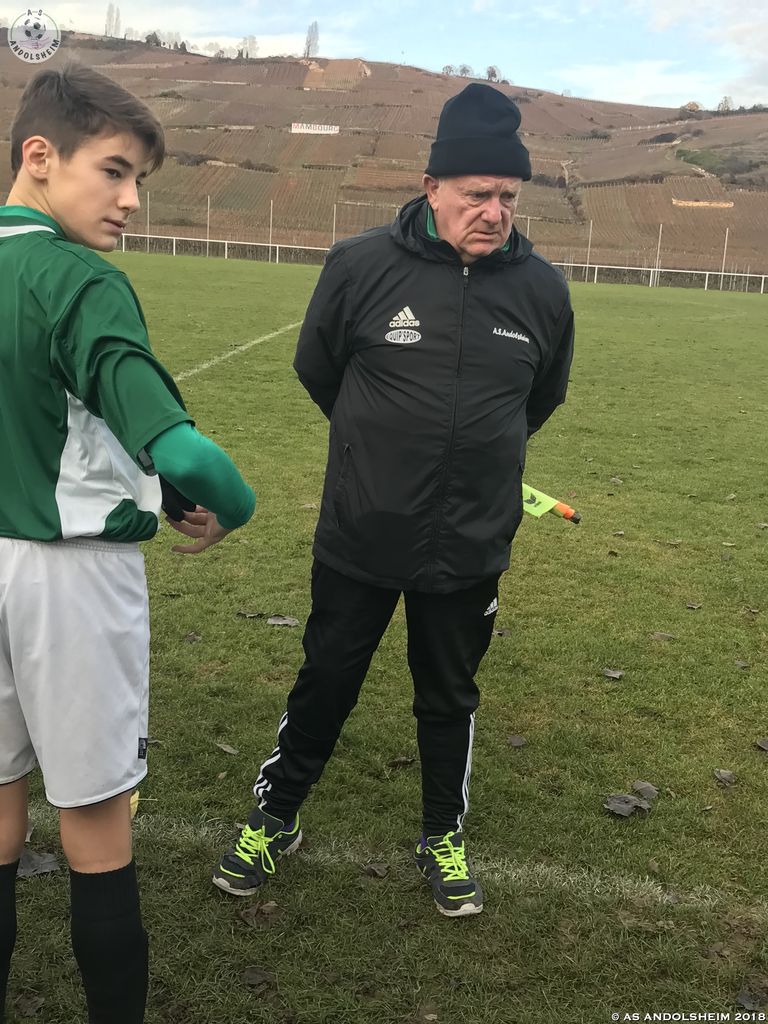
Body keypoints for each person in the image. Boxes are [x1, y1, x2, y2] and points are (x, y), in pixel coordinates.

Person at [214, 83, 574, 917]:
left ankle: (442, 834)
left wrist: (477, 459)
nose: (494, 212)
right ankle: (276, 815)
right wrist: (377, 451)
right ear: (432, 186)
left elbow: (540, 400)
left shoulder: (543, 290)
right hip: (363, 528)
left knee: (449, 695)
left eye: (508, 197)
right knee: (327, 678)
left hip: (472, 538)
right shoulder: (360, 265)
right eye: (477, 194)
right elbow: (319, 370)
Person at [0, 65, 255, 1024]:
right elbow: (183, 450)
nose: (131, 201)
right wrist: (234, 506)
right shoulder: (81, 279)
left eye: (138, 179)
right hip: (71, 584)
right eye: (113, 171)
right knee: (97, 829)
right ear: (40, 156)